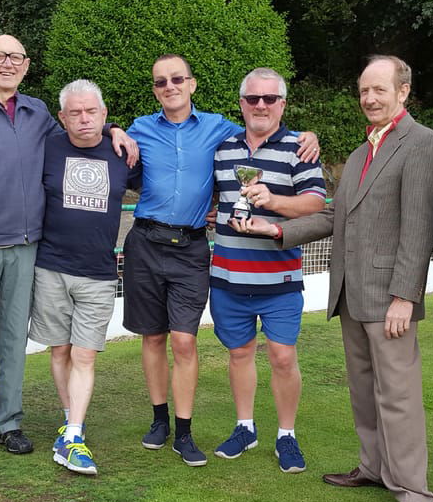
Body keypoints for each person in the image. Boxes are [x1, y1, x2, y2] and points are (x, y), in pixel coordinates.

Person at [240, 56, 433, 502]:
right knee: (365, 392)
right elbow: (335, 219)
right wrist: (276, 230)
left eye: (379, 90)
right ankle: (373, 468)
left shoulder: (421, 143)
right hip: (350, 293)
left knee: (399, 396)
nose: (369, 98)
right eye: (364, 90)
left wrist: (405, 296)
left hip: (389, 297)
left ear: (403, 92)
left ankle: (413, 493)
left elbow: (419, 226)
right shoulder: (359, 153)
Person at [0, 35, 134, 461]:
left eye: (16, 57)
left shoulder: (37, 112)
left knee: (13, 340)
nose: (8, 63)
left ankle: (8, 422)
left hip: (27, 247)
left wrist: (116, 129)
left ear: (26, 65)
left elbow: (82, 129)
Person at [122, 54, 319, 466]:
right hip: (165, 248)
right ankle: (171, 422)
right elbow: (101, 135)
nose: (169, 86)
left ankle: (231, 432)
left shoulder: (221, 130)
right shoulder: (146, 129)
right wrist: (111, 128)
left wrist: (310, 135)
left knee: (192, 341)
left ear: (192, 84)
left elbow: (307, 189)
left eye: (178, 78)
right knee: (162, 339)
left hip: (208, 251)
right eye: (161, 81)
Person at [209, 68, 326, 473]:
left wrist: (273, 202)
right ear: (241, 103)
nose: (261, 105)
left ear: (283, 104)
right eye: (253, 99)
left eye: (270, 99)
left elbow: (315, 203)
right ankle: (245, 427)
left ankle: (286, 435)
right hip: (227, 275)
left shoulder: (300, 148)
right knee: (239, 353)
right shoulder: (222, 147)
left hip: (279, 278)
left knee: (281, 356)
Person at [28, 79, 141, 475]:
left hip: (98, 272)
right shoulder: (47, 147)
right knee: (59, 351)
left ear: (105, 114)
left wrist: (117, 133)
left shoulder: (123, 154)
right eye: (74, 113)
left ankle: (74, 434)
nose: (83, 119)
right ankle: (69, 419)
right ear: (62, 118)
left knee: (85, 353)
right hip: (50, 267)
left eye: (91, 111)